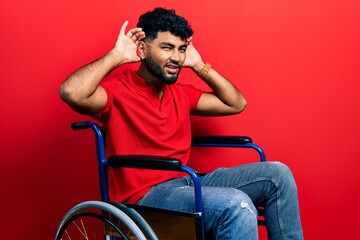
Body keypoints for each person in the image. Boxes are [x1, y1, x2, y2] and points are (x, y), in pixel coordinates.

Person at [60, 7, 303, 239]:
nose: (176, 57)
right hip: (146, 198)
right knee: (234, 205)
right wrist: (116, 56)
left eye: (182, 49)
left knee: (278, 175)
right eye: (167, 47)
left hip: (188, 182)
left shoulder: (182, 94)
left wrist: (199, 65)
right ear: (142, 50)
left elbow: (236, 103)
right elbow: (72, 92)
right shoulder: (117, 92)